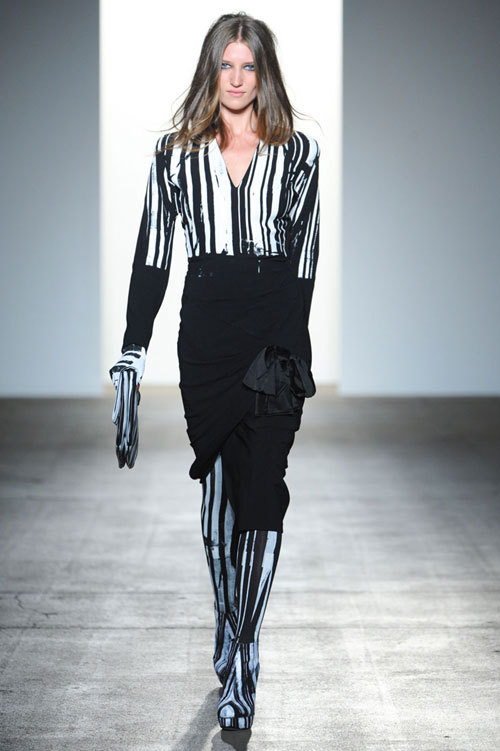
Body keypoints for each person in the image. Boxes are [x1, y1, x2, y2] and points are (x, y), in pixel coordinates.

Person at [109, 11, 320, 731]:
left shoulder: (299, 153)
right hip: (206, 338)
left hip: (275, 332)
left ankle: (246, 649)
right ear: (211, 70)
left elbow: (304, 262)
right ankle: (228, 619)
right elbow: (152, 256)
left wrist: (293, 349)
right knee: (218, 500)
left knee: (263, 493)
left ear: (264, 73)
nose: (236, 78)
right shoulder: (175, 155)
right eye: (225, 65)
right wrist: (133, 350)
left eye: (248, 65)